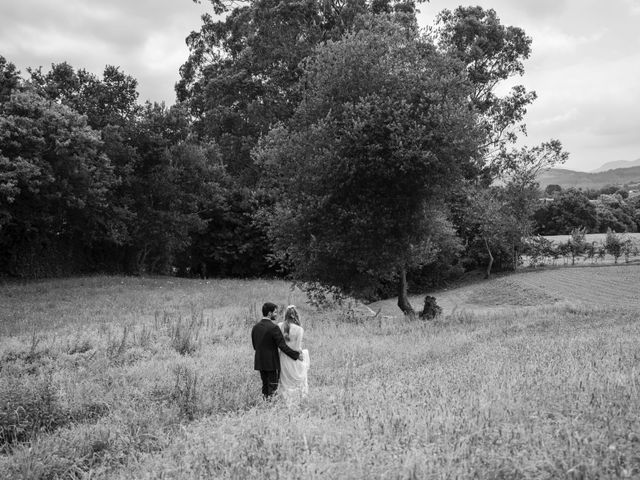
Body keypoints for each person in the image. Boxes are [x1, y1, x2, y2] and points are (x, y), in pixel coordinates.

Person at [251, 302, 303, 399]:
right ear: (270, 313)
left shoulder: (255, 327)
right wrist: (296, 355)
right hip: (271, 363)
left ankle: (265, 404)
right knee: (273, 386)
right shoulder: (274, 327)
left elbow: (255, 346)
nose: (276, 314)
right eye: (275, 312)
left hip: (260, 362)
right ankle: (271, 407)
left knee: (265, 385)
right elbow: (282, 346)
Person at [278, 305, 310, 406]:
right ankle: (297, 403)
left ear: (285, 315)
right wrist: (302, 352)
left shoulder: (279, 326)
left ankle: (285, 403)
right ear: (296, 315)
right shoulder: (299, 329)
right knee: (295, 382)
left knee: (285, 382)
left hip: (283, 358)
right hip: (294, 359)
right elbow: (297, 348)